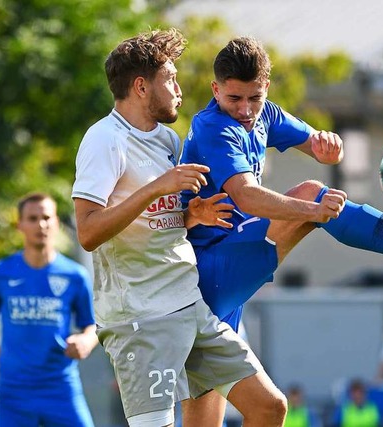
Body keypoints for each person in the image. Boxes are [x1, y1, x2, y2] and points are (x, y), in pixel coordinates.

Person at [180, 35, 383, 419]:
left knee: (259, 411)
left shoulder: (265, 116)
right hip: (208, 273)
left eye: (254, 98)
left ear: (266, 89)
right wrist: (312, 211)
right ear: (216, 90)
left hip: (218, 293)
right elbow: (247, 197)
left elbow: (317, 143)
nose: (245, 110)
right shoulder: (214, 128)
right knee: (312, 193)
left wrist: (328, 145)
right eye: (234, 99)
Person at [71, 28, 287, 427]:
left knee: (269, 407)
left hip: (189, 306)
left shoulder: (168, 140)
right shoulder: (104, 140)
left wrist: (191, 215)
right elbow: (88, 233)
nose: (178, 88)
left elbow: (155, 220)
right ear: (140, 86)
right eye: (169, 78)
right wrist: (159, 188)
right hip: (140, 320)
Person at [0, 192, 98, 426]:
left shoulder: (75, 275)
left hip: (60, 387)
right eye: (33, 218)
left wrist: (86, 341)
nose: (41, 224)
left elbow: (93, 326)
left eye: (47, 217)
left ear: (56, 223)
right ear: (20, 225)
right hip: (13, 392)